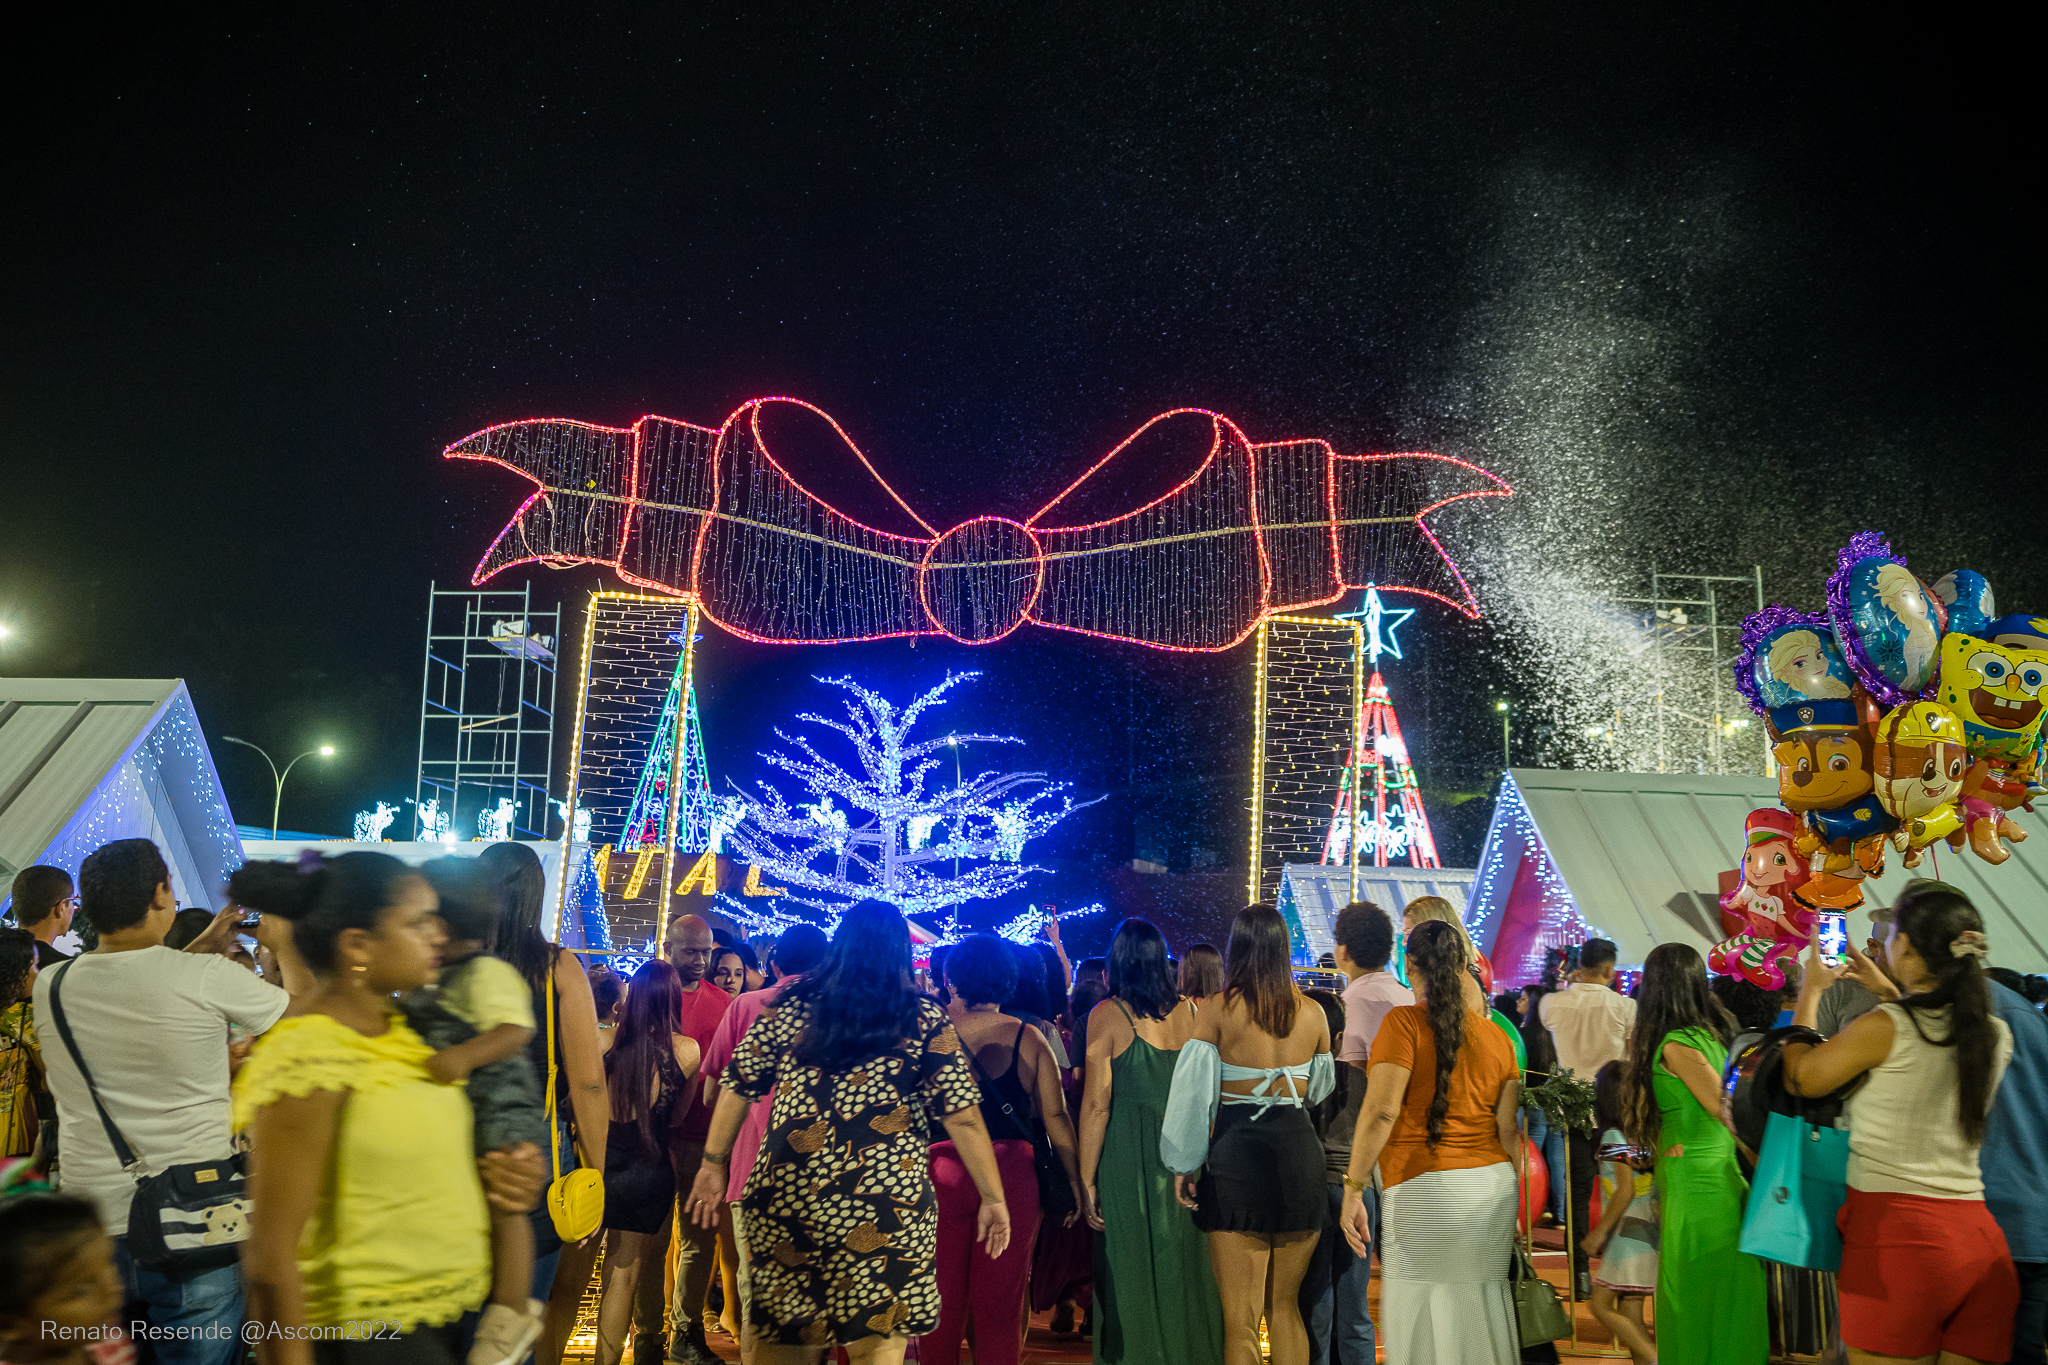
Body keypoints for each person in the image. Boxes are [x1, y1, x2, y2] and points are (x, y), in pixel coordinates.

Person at [231, 851, 546, 1365]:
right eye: (418, 922)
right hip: (359, 1339)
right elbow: (271, 1256)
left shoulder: (410, 1034)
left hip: (436, 1322)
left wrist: (511, 1172)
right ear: (358, 945)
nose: (438, 935)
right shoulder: (312, 1054)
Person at [683, 902, 1010, 1363]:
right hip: (887, 1208)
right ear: (899, 952)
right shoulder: (920, 1017)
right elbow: (962, 1115)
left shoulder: (793, 1006)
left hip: (794, 1199)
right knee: (876, 1350)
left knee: (785, 1345)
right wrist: (993, 1197)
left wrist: (714, 1163)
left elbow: (738, 1083)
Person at [33, 840, 285, 1365]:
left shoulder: (51, 985)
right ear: (160, 894)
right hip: (195, 1220)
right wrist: (286, 941)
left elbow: (135, 977)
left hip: (93, 1223)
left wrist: (198, 947)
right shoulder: (208, 977)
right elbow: (307, 1019)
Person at [1784, 882, 2017, 1364]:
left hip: (1898, 1243)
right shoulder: (1994, 1033)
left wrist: (1810, 989)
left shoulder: (1884, 1027)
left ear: (1905, 944)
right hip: (1979, 1244)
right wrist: (1889, 991)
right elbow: (1924, 1038)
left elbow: (1802, 1077)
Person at [1338, 920, 1521, 1363]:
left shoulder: (1403, 1025)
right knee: (1481, 1306)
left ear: (1409, 965)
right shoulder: (1498, 1037)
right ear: (1463, 965)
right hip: (1492, 1188)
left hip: (1423, 1186)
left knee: (1419, 1310)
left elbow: (1382, 1111)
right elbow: (1508, 1131)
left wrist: (1353, 1186)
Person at [1162, 905, 1333, 1365]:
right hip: (1300, 1156)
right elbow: (1318, 1090)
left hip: (1238, 1159)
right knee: (1286, 1309)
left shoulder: (1217, 1008)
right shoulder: (1314, 1013)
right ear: (1283, 947)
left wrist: (1183, 1164)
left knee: (1240, 1319)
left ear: (1238, 947)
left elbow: (1192, 1096)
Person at [407, 859, 547, 1365]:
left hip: (501, 1101)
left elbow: (516, 1031)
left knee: (507, 1207)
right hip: (468, 1108)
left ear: (442, 924)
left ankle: (509, 1318)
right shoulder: (434, 978)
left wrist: (462, 1056)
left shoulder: (486, 973)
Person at [922, 934, 1082, 1365]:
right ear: (1008, 981)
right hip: (1012, 1172)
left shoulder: (932, 1032)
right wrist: (1074, 1179)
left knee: (939, 1300)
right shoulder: (1028, 1037)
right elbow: (1056, 1117)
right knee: (1001, 1304)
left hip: (941, 1167)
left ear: (951, 979)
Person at [476, 840, 608, 1360]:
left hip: (454, 1151)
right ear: (537, 895)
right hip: (534, 1158)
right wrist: (595, 1172)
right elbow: (589, 1083)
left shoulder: (449, 961)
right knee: (517, 1320)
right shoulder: (556, 968)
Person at [1078, 919, 1222, 1365]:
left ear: (1115, 964)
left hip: (1127, 1158)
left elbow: (1096, 1107)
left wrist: (1086, 1181)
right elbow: (1208, 1097)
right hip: (1186, 1155)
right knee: (1187, 1266)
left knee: (1131, 1268)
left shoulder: (1107, 1015)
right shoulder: (1194, 1013)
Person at [686, 923, 830, 1365]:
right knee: (818, 1302)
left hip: (753, 1172)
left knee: (758, 1303)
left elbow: (714, 1092)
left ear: (772, 965)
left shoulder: (747, 1006)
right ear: (826, 965)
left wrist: (713, 1158)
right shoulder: (843, 1009)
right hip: (827, 1177)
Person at [1620, 943, 1764, 1365]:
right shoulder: (1710, 1036)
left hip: (1699, 1187)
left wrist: (1760, 1162)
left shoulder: (1676, 1044)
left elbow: (1725, 1110)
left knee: (1694, 1299)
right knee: (1725, 1297)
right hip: (1709, 1180)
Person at [1312, 900, 1409, 1365]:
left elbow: (1344, 1095)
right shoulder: (1410, 1001)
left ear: (1343, 950)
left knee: (1333, 1294)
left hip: (1350, 1161)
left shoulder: (1346, 1007)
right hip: (1407, 1165)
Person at [635, 915, 732, 1365]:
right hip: (653, 1139)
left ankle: (684, 1331)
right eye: (691, 951)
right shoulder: (649, 997)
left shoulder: (722, 1004)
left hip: (700, 1138)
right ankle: (648, 1333)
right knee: (651, 1244)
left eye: (706, 952)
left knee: (698, 1242)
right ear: (669, 947)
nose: (700, 960)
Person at [594, 960, 700, 1365]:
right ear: (672, 999)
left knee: (572, 1278)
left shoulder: (603, 1041)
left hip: (597, 1164)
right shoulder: (687, 1050)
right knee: (622, 1278)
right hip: (648, 1170)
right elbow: (675, 1118)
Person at [1538, 936, 1635, 1296]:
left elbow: (1551, 1014)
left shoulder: (1552, 1004)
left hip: (1572, 1112)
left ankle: (1579, 1274)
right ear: (1609, 969)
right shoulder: (1625, 1008)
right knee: (1621, 1187)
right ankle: (1621, 1270)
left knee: (1577, 1193)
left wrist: (1569, 984)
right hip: (1613, 1114)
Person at [1984, 951, 2048, 1362]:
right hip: (2036, 1225)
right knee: (2025, 1346)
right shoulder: (2038, 1027)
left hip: (1991, 1218)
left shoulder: (1982, 1020)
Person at [0, 1187, 132, 1365]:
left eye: (109, 1264)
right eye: (82, 1291)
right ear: (10, 1325)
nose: (112, 1289)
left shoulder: (112, 1347)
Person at [1582, 1062, 1657, 1365]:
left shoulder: (1612, 1137)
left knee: (1599, 1305)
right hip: (1647, 1232)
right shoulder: (1643, 1137)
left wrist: (1599, 1232)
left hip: (1627, 1235)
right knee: (1631, 1314)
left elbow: (1624, 1190)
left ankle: (1656, 1358)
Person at [1517, 984, 1567, 1227]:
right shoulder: (1556, 1032)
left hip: (1532, 1098)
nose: (1519, 1002)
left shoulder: (1523, 1034)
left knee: (1529, 1155)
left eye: (1523, 998)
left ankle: (1528, 1208)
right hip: (1556, 1097)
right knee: (1558, 1156)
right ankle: (1560, 1214)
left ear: (1532, 1004)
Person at [1, 930, 41, 1158]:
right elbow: (49, 1080)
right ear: (15, 973)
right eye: (33, 967)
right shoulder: (25, 1020)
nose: (38, 975)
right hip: (16, 1137)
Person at [8, 868, 78, 970]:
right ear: (61, 907)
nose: (73, 909)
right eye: (72, 901)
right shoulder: (64, 971)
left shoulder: (6, 954)